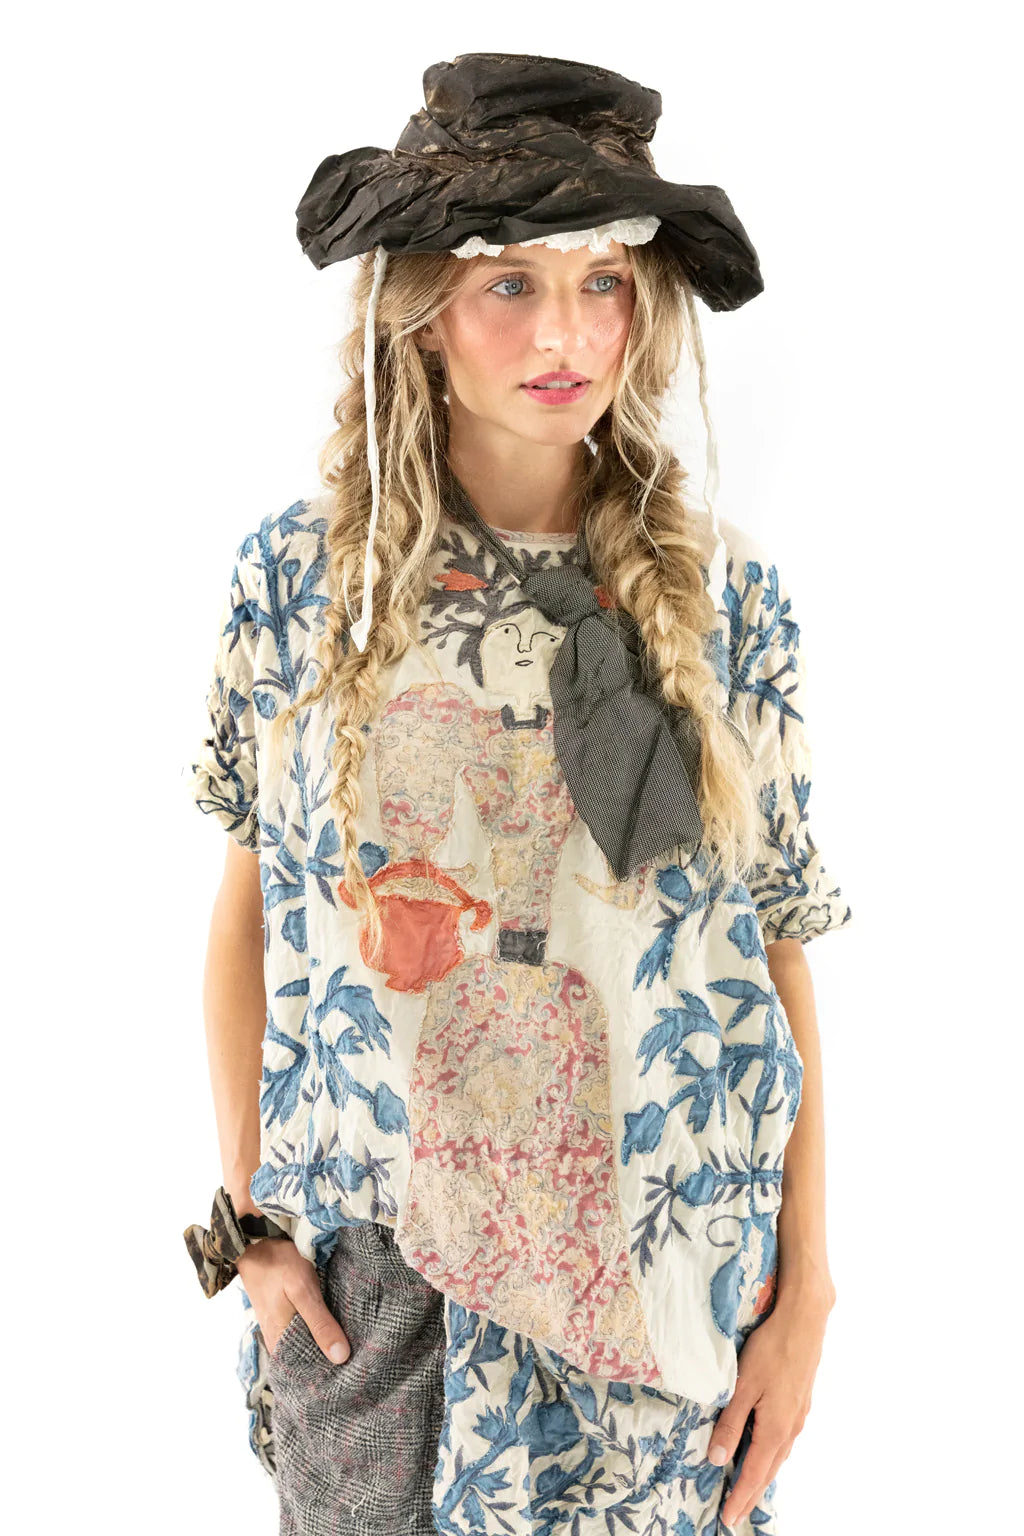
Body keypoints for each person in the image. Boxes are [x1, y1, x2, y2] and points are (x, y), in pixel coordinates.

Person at [182, 52, 852, 1536]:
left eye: (603, 283)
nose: (566, 334)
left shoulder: (727, 601)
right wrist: (250, 1227)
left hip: (665, 1300)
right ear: (421, 309)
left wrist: (806, 1296)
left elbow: (776, 956)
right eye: (510, 285)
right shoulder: (300, 588)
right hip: (384, 1300)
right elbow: (248, 920)